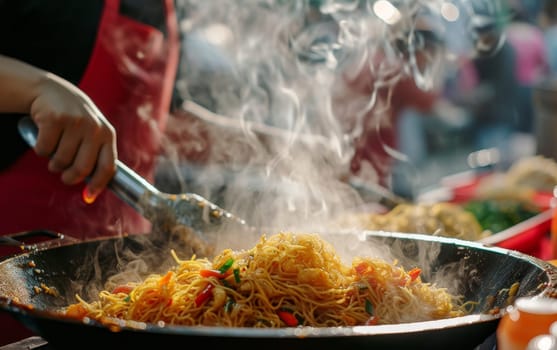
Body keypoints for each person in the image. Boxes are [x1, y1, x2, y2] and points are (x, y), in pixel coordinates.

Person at [0, 0, 180, 345]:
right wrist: (37, 88)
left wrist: (270, 143)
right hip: (21, 270)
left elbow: (164, 119)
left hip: (129, 291)